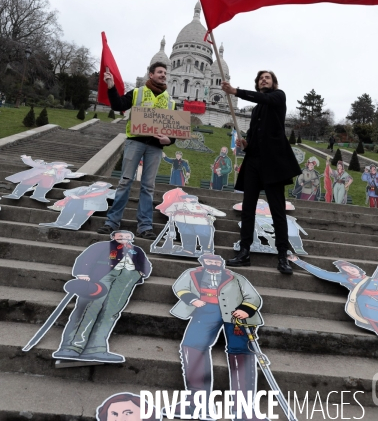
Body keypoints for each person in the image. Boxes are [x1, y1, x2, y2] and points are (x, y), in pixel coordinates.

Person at [222, 70, 301, 274]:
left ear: (274, 83)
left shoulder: (278, 97)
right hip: (254, 163)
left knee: (277, 211)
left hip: (273, 164)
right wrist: (246, 144)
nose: (263, 80)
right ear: (257, 83)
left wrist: (235, 91)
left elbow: (262, 97)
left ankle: (282, 255)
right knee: (248, 208)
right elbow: (256, 138)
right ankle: (244, 251)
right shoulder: (256, 110)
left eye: (267, 77)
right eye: (260, 78)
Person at [170, 254, 263, 419]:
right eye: (209, 261)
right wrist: (192, 300)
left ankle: (243, 409)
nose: (213, 264)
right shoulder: (192, 273)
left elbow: (252, 296)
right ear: (203, 262)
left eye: (216, 261)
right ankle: (196, 402)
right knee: (192, 345)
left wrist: (245, 309)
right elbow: (181, 287)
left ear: (222, 263)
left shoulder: (236, 277)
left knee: (241, 350)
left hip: (235, 315)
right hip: (205, 311)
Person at [97, 62, 176, 238]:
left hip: (155, 147)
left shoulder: (170, 101)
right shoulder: (137, 92)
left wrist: (168, 140)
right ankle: (112, 222)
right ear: (151, 74)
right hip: (135, 142)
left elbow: (174, 130)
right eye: (160, 72)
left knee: (148, 187)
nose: (163, 75)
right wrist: (111, 87)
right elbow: (118, 105)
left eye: (165, 72)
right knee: (125, 182)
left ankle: (145, 227)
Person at [53, 230, 151, 363]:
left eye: (127, 236)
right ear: (113, 236)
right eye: (120, 236)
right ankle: (71, 346)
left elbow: (145, 264)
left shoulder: (137, 250)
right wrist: (83, 273)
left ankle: (96, 348)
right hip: (103, 274)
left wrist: (140, 273)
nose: (124, 238)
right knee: (91, 306)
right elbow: (87, 258)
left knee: (111, 311)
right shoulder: (102, 246)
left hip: (127, 277)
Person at [288, 255, 378, 359]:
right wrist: (298, 261)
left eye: (352, 268)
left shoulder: (377, 281)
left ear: (357, 268)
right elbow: (322, 273)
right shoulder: (346, 279)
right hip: (374, 311)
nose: (350, 270)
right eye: (346, 269)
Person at [5, 155, 84, 203]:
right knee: (27, 182)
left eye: (64, 166)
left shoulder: (64, 171)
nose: (64, 167)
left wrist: (76, 175)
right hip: (37, 175)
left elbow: (69, 175)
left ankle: (38, 195)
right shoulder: (44, 166)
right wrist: (27, 159)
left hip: (49, 178)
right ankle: (16, 194)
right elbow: (33, 163)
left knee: (47, 184)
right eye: (62, 165)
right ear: (55, 164)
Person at [39, 181, 115, 230]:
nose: (99, 184)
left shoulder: (107, 191)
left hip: (91, 204)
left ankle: (75, 224)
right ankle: (60, 222)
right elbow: (68, 192)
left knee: (82, 210)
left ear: (106, 186)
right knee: (69, 207)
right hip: (75, 202)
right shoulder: (83, 188)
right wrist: (72, 195)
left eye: (102, 184)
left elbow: (116, 195)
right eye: (98, 183)